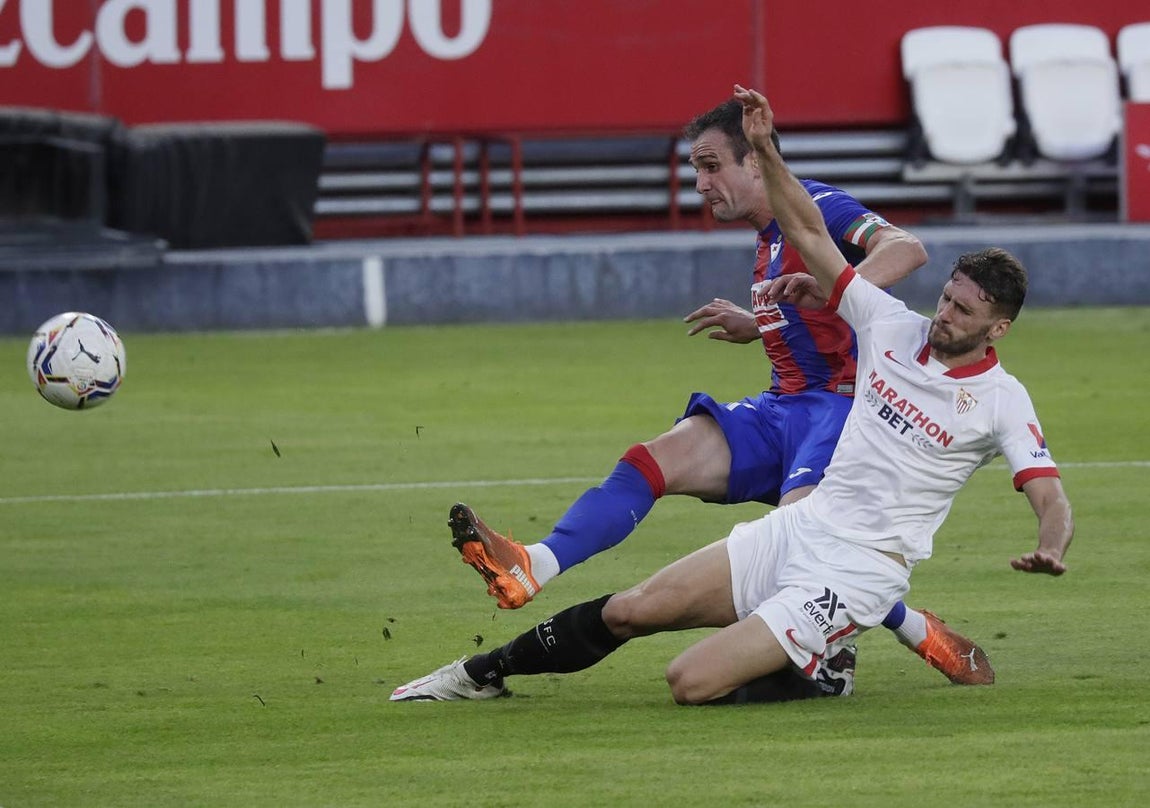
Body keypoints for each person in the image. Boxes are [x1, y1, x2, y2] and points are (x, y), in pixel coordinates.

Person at [390, 84, 1074, 706]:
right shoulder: (773, 245)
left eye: (712, 166)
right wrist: (768, 321)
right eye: (696, 168)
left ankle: (856, 638)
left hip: (836, 412)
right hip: (785, 405)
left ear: (755, 163)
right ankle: (533, 565)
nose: (701, 183)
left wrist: (846, 296)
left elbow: (904, 247)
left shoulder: (826, 215)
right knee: (657, 461)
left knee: (821, 553)